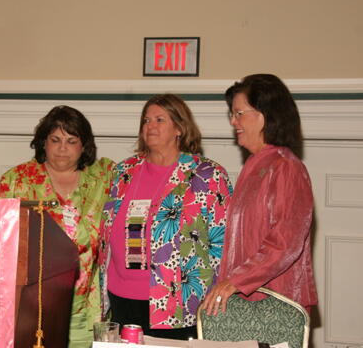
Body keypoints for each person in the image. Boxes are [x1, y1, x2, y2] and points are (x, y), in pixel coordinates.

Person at [100, 94, 232, 340]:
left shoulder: (206, 175)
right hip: (122, 295)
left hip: (176, 300)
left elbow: (223, 240)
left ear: (179, 128)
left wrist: (218, 291)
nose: (150, 126)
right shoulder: (124, 171)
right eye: (146, 120)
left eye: (160, 120)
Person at [0, 105, 114, 348]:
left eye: (71, 141)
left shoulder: (104, 177)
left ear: (83, 146)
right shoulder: (17, 180)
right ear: (43, 142)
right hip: (31, 310)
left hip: (88, 308)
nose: (62, 148)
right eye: (55, 139)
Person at [201, 74, 318, 316]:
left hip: (276, 304)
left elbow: (285, 243)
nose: (234, 122)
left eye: (239, 113)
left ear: (266, 114)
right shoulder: (255, 165)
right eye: (231, 115)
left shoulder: (286, 167)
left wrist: (236, 281)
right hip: (246, 303)